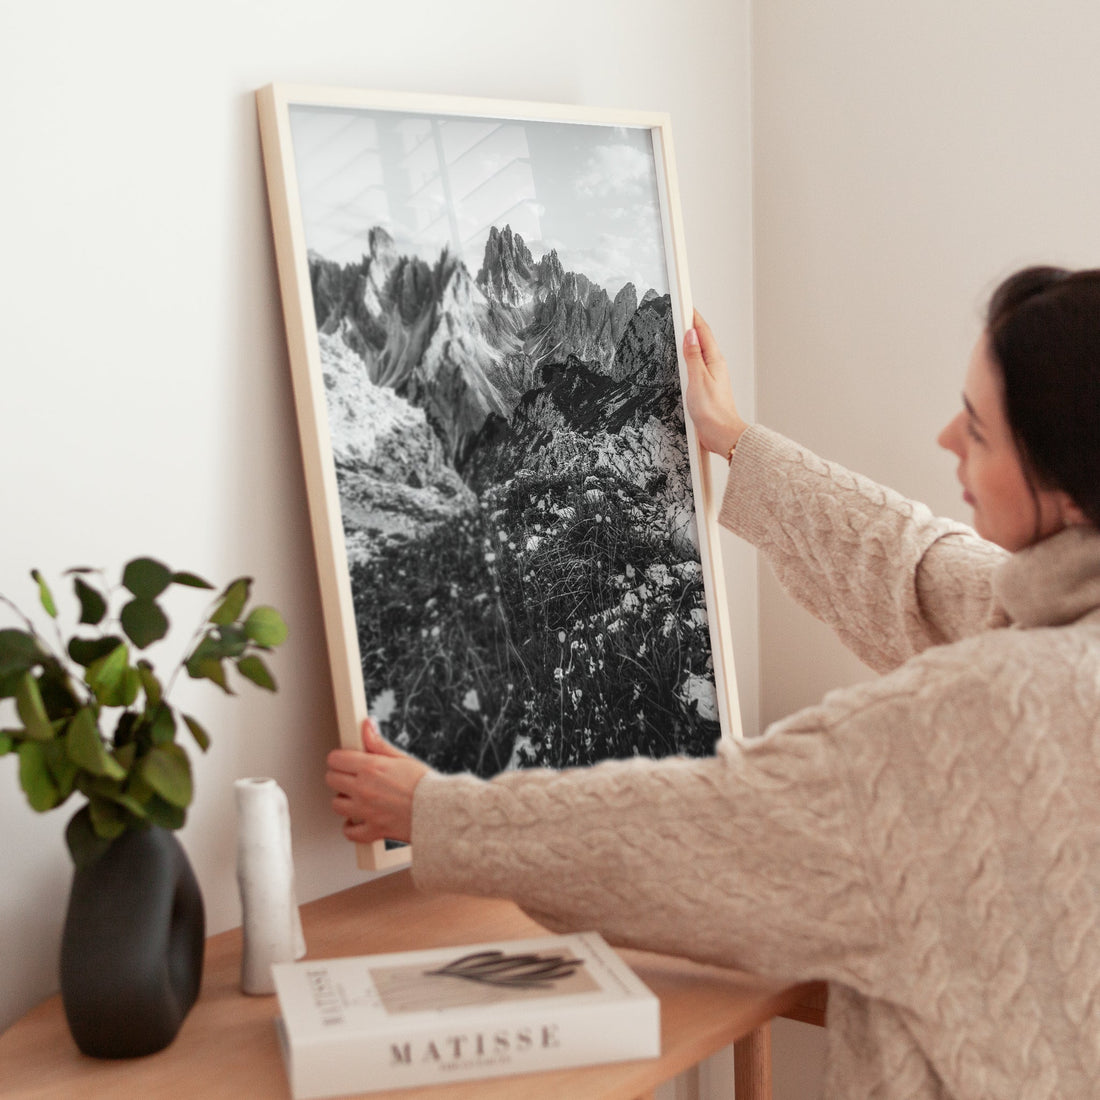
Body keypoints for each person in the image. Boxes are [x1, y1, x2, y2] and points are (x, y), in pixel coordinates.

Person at [325, 266, 1100, 1099]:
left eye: (979, 430)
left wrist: (436, 813)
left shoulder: (976, 718)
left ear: (1067, 488)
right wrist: (734, 440)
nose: (947, 438)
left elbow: (703, 828)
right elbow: (919, 571)